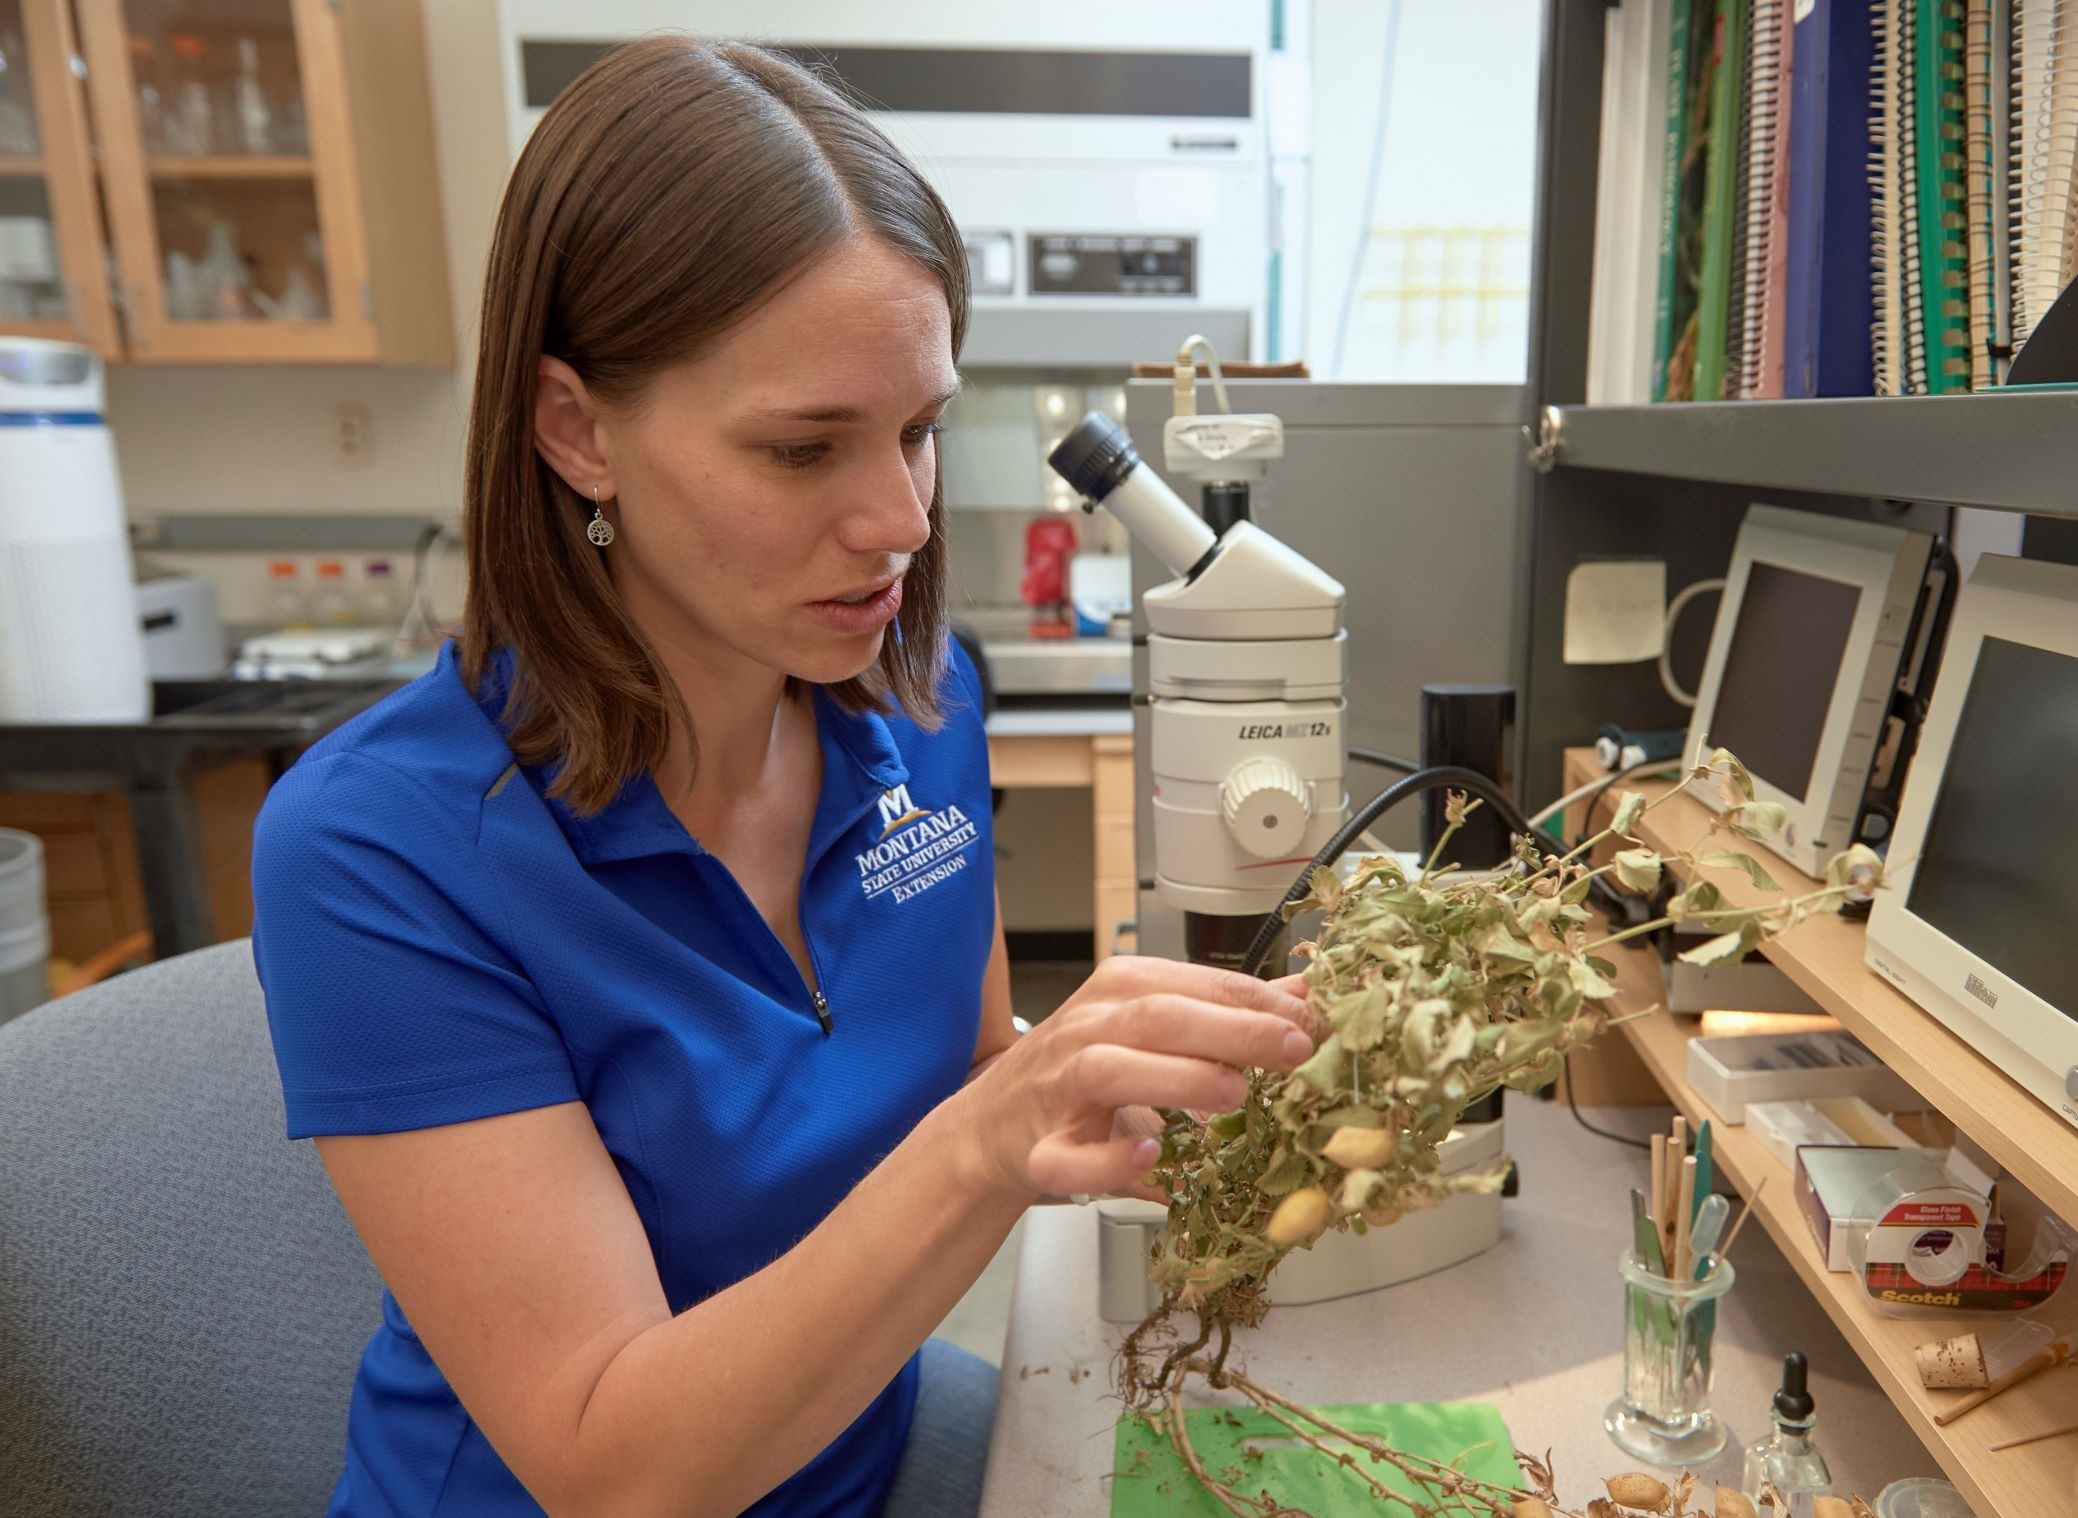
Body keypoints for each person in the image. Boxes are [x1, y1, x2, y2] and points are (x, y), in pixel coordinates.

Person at [250, 34, 1316, 1518]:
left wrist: (1168, 1091)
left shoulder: (922, 705)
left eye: (918, 431)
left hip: (854, 1467)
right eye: (804, 448)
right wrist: (990, 1145)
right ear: (576, 429)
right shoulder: (380, 847)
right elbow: (612, 1464)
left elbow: (966, 1062)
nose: (895, 518)